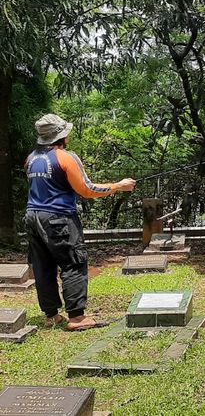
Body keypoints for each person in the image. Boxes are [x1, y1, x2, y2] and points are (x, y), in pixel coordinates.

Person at [24, 114, 136, 331]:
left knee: (42, 266)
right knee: (73, 262)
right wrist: (118, 186)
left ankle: (52, 315)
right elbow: (86, 189)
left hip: (32, 216)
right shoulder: (65, 157)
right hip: (59, 219)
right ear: (61, 135)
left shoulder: (30, 159)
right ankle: (77, 318)